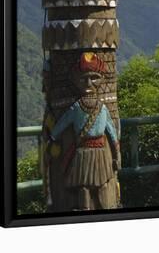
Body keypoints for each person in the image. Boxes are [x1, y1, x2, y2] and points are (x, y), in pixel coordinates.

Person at [49, 52, 120, 210]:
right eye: (83, 79)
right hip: (83, 151)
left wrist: (116, 152)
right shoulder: (77, 108)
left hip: (99, 152)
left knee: (102, 183)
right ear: (75, 81)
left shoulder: (101, 109)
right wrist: (53, 136)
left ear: (102, 79)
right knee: (84, 186)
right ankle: (86, 210)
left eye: (94, 78)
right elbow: (61, 125)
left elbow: (112, 132)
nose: (88, 83)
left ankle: (104, 209)